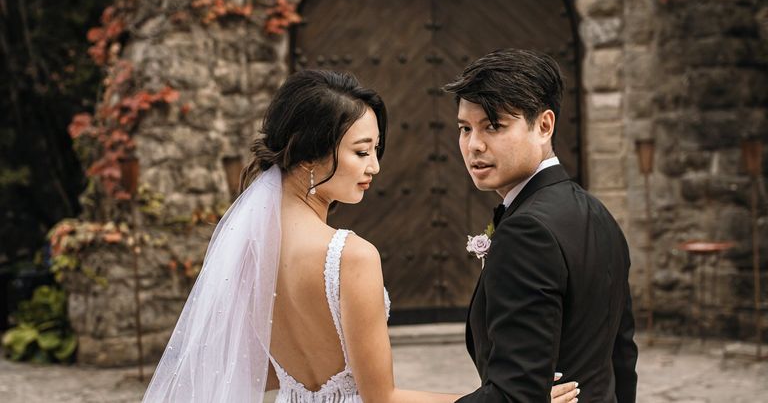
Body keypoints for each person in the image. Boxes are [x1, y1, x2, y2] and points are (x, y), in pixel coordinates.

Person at [143, 69, 580, 402]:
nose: (374, 167)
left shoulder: (249, 246)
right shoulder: (348, 255)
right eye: (361, 152)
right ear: (310, 150)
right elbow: (380, 398)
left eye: (375, 151)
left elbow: (258, 370)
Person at [444, 49, 638, 403]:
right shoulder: (599, 213)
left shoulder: (526, 232)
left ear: (544, 125)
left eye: (493, 126)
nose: (474, 145)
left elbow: (514, 394)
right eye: (464, 128)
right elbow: (622, 362)